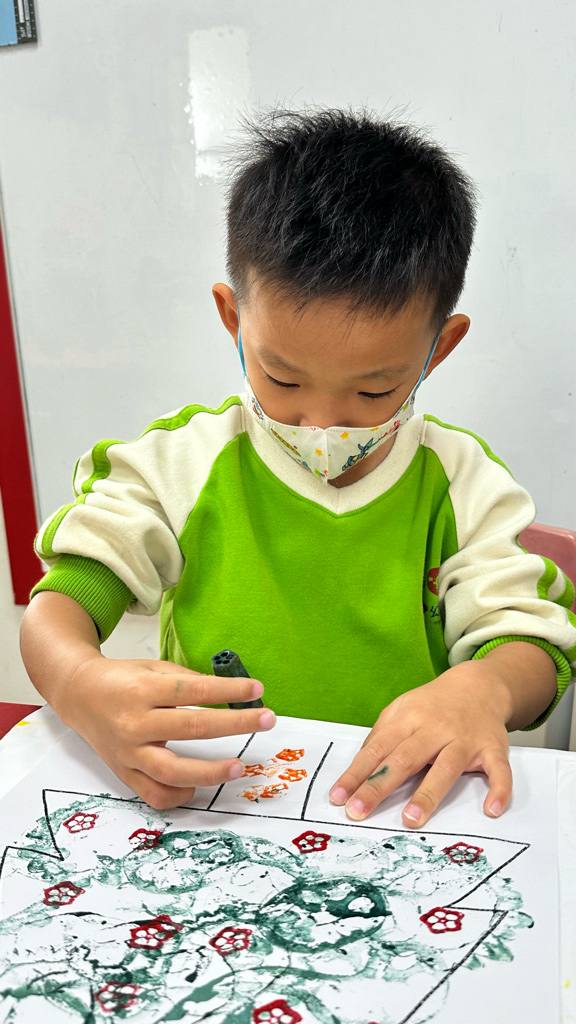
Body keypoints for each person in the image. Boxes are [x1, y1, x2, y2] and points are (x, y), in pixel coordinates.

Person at [20, 109, 575, 828]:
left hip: (393, 809)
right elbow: (62, 604)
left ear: (438, 350)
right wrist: (78, 682)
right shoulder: (182, 464)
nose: (321, 425)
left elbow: (531, 643)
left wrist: (488, 689)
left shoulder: (461, 483)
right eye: (282, 378)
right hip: (215, 800)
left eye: (374, 391)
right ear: (234, 320)